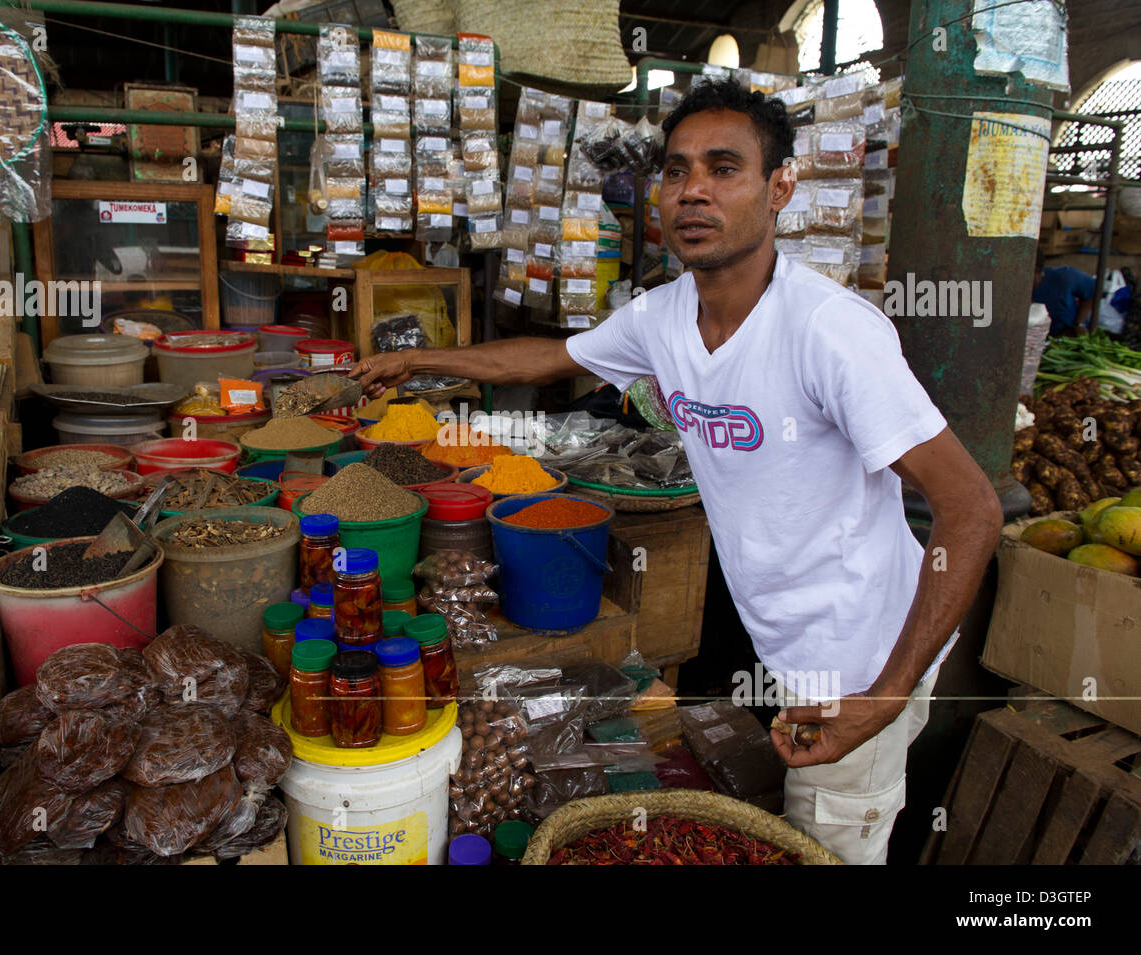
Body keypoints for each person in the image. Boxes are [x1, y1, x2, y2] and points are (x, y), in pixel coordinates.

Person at [351, 79, 1003, 864]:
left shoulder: (830, 332)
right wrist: (421, 359)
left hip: (862, 653)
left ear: (781, 187)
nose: (693, 190)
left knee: (828, 845)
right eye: (675, 169)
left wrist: (883, 697)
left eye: (724, 168)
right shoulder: (664, 317)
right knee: (787, 836)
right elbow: (551, 356)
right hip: (784, 644)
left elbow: (972, 508)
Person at [1033, 248, 1097, 336]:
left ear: (1035, 270)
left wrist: (1079, 324)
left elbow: (1092, 290)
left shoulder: (1064, 277)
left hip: (1068, 335)